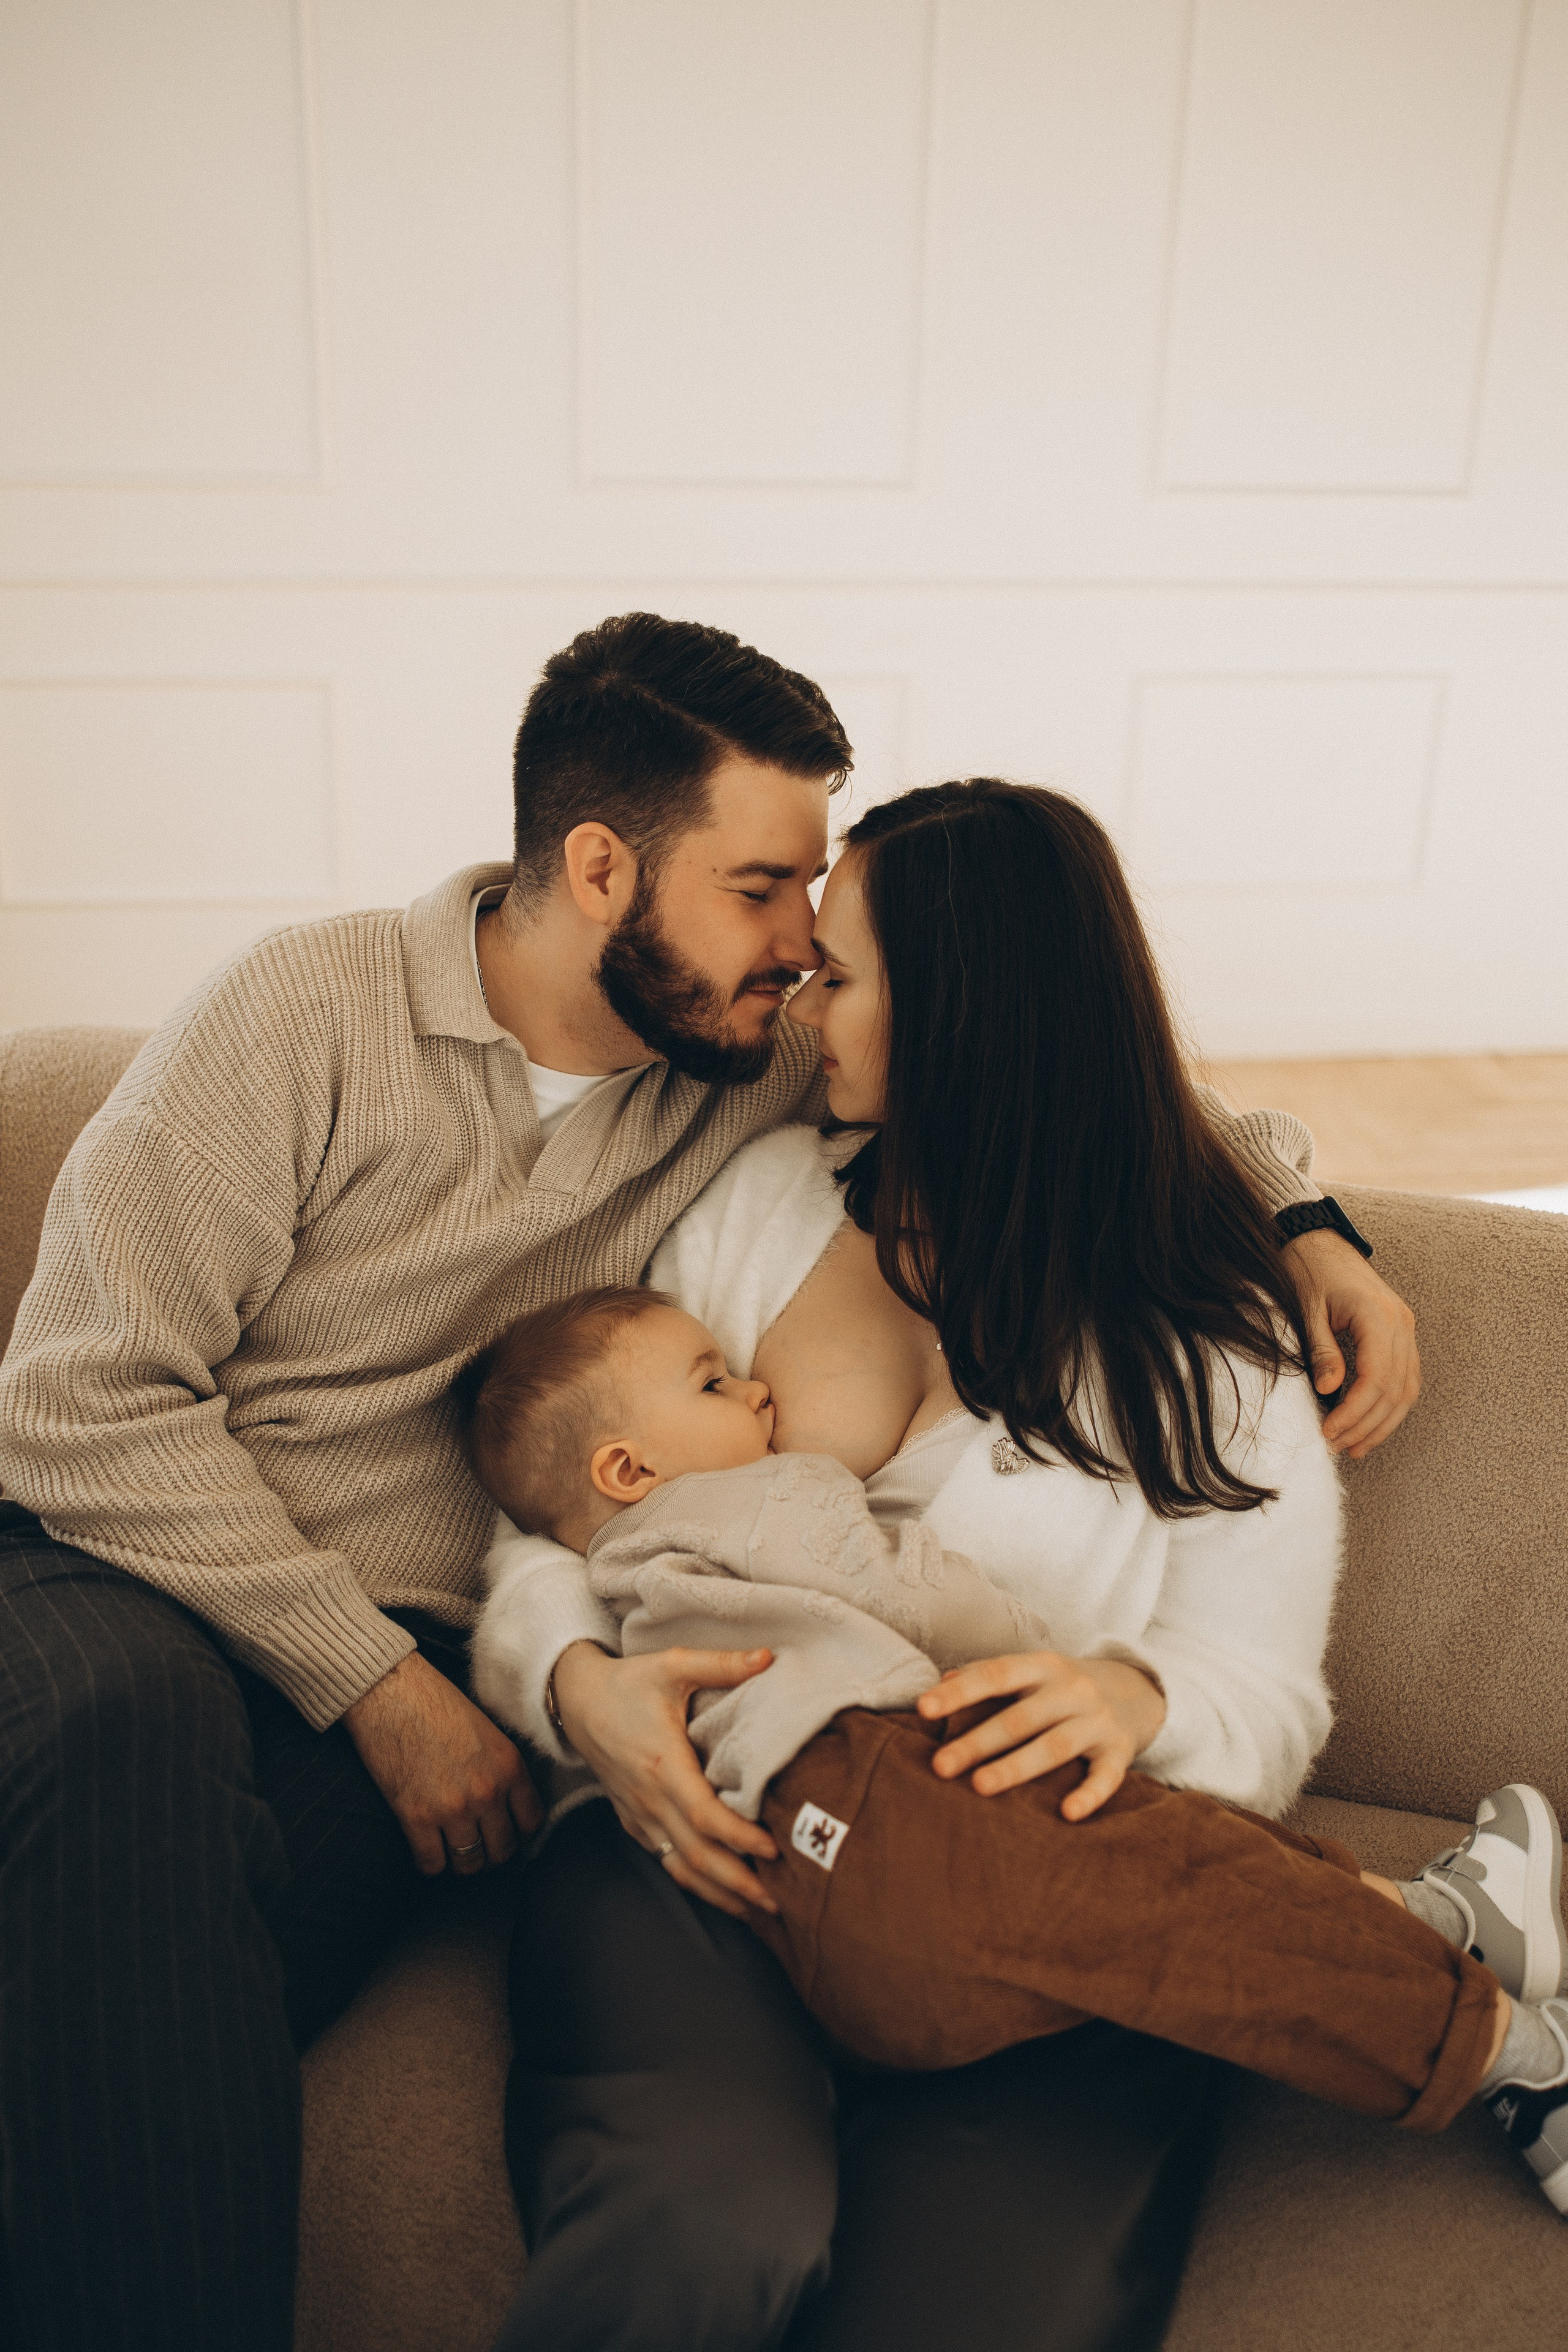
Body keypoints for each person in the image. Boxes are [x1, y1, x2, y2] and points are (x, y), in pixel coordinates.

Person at [0, 616, 1417, 2352]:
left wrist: (1299, 1208)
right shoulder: (303, 1019)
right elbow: (77, 1403)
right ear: (602, 870)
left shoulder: (731, 1083)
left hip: (433, 1665)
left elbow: (1051, 1055)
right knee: (116, 1746)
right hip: (133, 1573)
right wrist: (391, 1684)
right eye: (763, 888)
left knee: (151, 2006)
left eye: (822, 910)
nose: (799, 945)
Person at [463, 1276, 1568, 2204]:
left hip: (823, 1909)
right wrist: (1038, 1654)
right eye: (713, 1382)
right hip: (879, 1792)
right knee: (1195, 1907)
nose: (755, 1383)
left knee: (1172, 1853)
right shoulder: (759, 1498)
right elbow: (907, 1591)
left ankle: (1444, 1918)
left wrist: (1307, 1219)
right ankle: (1510, 2053)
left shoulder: (623, 1574)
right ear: (625, 1468)